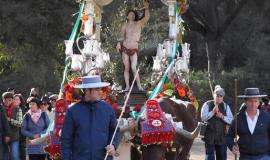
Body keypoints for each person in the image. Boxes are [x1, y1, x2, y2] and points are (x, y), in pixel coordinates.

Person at [61, 75, 120, 160]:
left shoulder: (108, 109)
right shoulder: (73, 111)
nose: (100, 92)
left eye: (100, 89)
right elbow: (66, 140)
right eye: (97, 89)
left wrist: (113, 145)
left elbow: (114, 131)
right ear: (87, 91)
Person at [227, 88, 270, 160]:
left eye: (255, 101)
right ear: (245, 102)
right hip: (245, 157)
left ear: (259, 102)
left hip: (264, 157)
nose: (253, 104)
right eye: (250, 101)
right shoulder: (238, 118)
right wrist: (232, 146)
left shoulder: (267, 117)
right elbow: (229, 136)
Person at [116, 0, 150, 91]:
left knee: (133, 67)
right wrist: (118, 43)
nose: (132, 15)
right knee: (126, 67)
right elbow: (121, 37)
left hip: (134, 47)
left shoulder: (138, 23)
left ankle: (139, 85)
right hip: (125, 47)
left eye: (133, 14)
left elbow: (146, 17)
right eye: (130, 14)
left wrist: (146, 8)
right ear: (127, 16)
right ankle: (127, 86)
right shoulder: (125, 25)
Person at [201, 85, 233, 160]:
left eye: (221, 96)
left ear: (223, 97)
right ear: (214, 95)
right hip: (209, 136)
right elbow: (203, 118)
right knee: (209, 157)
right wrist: (212, 112)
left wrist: (222, 116)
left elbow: (231, 120)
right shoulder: (207, 104)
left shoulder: (226, 106)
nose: (219, 97)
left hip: (222, 136)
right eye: (217, 95)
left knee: (222, 157)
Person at [1, 91, 23, 160]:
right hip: (2, 136)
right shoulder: (1, 109)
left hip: (14, 136)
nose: (7, 102)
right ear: (3, 100)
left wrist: (8, 120)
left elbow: (20, 123)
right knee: (3, 156)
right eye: (5, 100)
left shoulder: (17, 109)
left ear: (12, 100)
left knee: (14, 156)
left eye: (9, 100)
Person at [14, 94, 27, 160]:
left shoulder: (24, 109)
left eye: (17, 99)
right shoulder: (11, 109)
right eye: (14, 99)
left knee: (22, 150)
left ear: (20, 101)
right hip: (13, 132)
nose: (15, 101)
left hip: (21, 132)